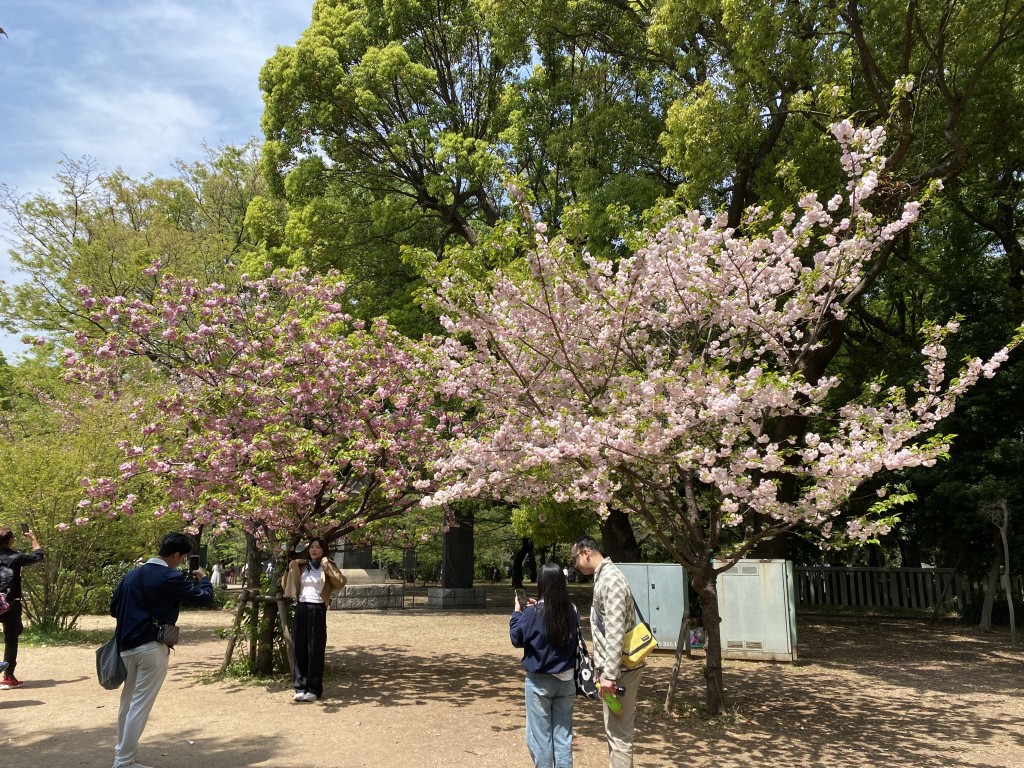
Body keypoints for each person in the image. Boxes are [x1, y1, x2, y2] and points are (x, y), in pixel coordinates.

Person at [110, 532, 213, 768]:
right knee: (140, 705)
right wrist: (204, 578)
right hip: (152, 646)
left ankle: (122, 754)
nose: (182, 561)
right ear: (176, 555)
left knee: (127, 702)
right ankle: (124, 761)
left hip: (126, 646)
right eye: (183, 557)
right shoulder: (171, 577)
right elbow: (204, 598)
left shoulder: (131, 575)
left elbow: (114, 609)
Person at [571, 536, 642, 768]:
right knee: (615, 730)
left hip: (619, 670)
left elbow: (614, 629)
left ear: (585, 552)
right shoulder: (605, 577)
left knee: (619, 735)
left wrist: (609, 674)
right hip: (615, 668)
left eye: (575, 559)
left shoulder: (610, 580)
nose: (575, 566)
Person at [509, 562, 580, 768]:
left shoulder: (532, 613)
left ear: (541, 583)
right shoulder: (571, 610)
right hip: (566, 681)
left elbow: (516, 638)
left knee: (540, 740)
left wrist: (517, 612)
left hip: (539, 683)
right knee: (563, 738)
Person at [282, 538, 345, 702]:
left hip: (318, 609)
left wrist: (328, 567)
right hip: (302, 607)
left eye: (318, 547)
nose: (314, 550)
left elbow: (340, 583)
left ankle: (314, 688)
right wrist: (290, 570)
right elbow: (286, 585)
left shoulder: (327, 566)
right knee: (299, 648)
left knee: (315, 649)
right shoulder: (301, 565)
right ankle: (300, 687)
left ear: (324, 550)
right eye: (312, 547)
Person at [0, 526, 45, 689]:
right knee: (11, 639)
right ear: (10, 540)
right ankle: (8, 676)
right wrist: (32, 537)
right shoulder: (16, 557)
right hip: (11, 603)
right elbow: (38, 555)